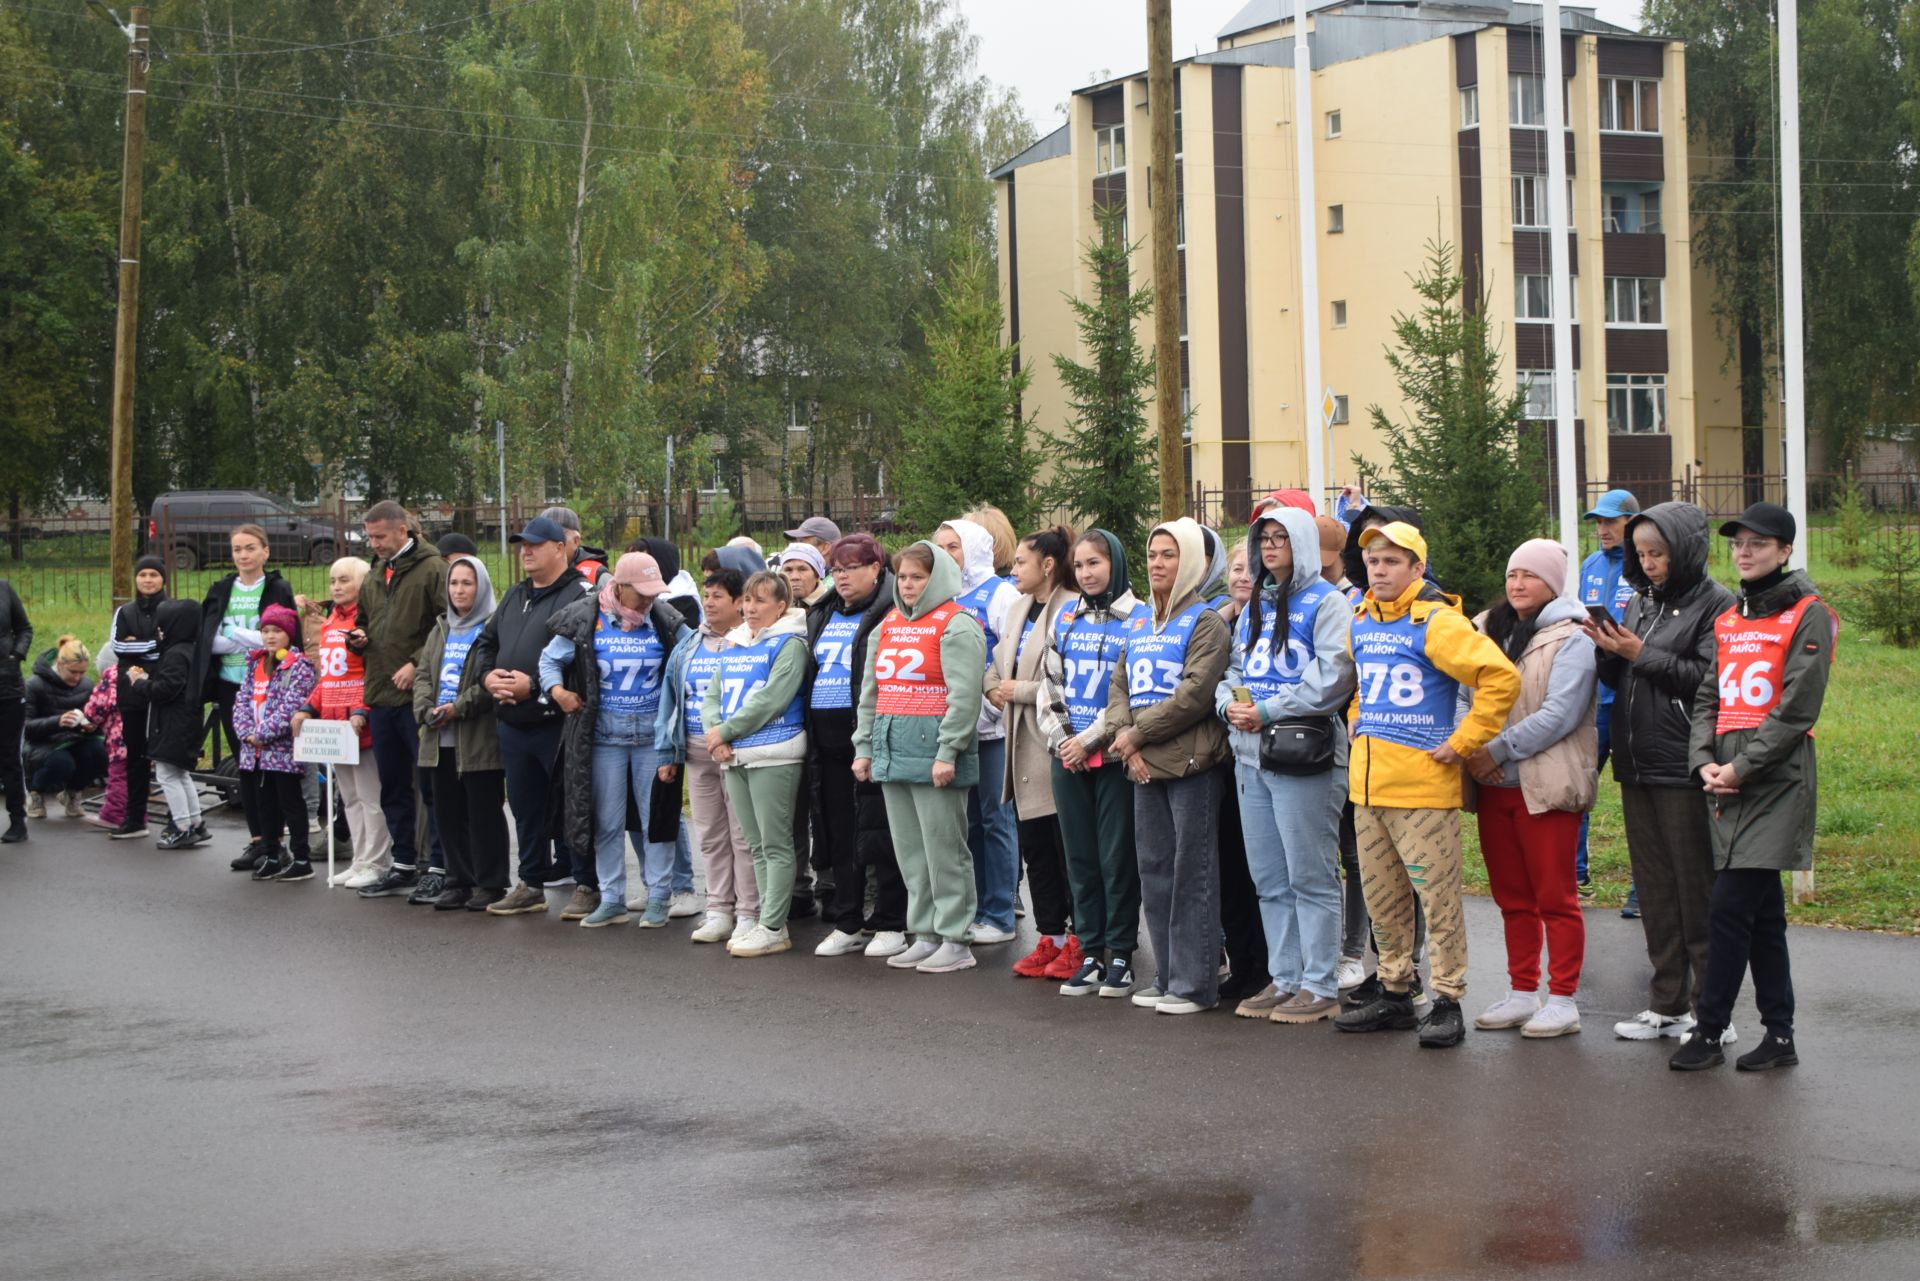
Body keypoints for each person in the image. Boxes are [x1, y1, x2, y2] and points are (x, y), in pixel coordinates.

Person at [1334, 521, 1519, 1048]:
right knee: (1382, 899)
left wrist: (1464, 742)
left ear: (1417, 568)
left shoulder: (1438, 622)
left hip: (1422, 790)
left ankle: (1448, 999)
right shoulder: (1363, 620)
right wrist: (1354, 710)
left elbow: (1499, 678)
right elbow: (1365, 683)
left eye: (1392, 561)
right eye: (1373, 561)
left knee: (1436, 902)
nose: (1380, 570)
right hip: (1368, 790)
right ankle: (1395, 990)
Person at [1670, 503, 1834, 1073]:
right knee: (1763, 916)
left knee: (1729, 907)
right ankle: (1780, 1037)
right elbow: (1708, 698)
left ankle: (1709, 1031)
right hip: (1726, 776)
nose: (1744, 552)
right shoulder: (1730, 617)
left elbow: (1796, 710)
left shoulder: (1810, 613)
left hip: (1776, 779)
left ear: (1785, 551)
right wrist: (1704, 764)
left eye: (1758, 544)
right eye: (1738, 543)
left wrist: (1742, 769)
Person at [1585, 503, 1736, 1047]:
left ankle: (1712, 1011)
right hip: (1637, 763)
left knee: (1695, 889)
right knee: (1653, 889)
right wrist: (1608, 651)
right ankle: (1667, 1003)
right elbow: (1627, 671)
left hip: (1683, 763)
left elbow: (1708, 683)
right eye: (1641, 554)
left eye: (1658, 554)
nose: (1648, 565)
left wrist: (1639, 652)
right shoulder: (1642, 601)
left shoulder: (1718, 605)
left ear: (1685, 550)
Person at [1217, 505, 1356, 1024]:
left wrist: (1269, 710)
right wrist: (1227, 703)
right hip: (1250, 756)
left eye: (1281, 537)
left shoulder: (1326, 602)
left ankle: (1321, 984)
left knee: (1310, 876)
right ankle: (1287, 976)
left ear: (1300, 541)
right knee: (1270, 879)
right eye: (1264, 538)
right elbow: (1234, 665)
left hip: (1304, 755)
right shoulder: (1257, 602)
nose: (1270, 546)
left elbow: (1335, 675)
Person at [1463, 540, 1598, 1039]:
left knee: (1554, 896)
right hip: (1492, 785)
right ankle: (1523, 992)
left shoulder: (1574, 637)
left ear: (1554, 584)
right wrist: (1468, 746)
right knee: (1511, 895)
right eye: (1512, 574)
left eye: (1530, 575)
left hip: (1544, 785)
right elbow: (1463, 690)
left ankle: (1563, 1000)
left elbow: (1559, 715)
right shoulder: (1485, 628)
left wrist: (1493, 750)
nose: (1517, 584)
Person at [1105, 519, 1232, 1014]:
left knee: (1190, 874)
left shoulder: (1206, 621)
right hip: (1141, 765)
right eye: (1153, 554)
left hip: (1190, 766)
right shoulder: (1139, 621)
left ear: (1192, 564)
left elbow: (1195, 694)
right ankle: (1166, 974)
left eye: (1169, 555)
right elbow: (1119, 687)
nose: (1157, 564)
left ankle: (1196, 984)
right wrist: (1126, 738)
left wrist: (1136, 734)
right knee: (1154, 870)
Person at [853, 540, 987, 974]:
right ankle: (925, 933)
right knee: (912, 854)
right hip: (894, 755)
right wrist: (864, 746)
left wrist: (948, 751)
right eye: (904, 576)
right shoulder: (887, 624)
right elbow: (871, 694)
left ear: (939, 578)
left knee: (945, 851)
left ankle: (955, 938)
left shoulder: (957, 624)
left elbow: (964, 697)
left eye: (918, 577)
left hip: (936, 759)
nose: (908, 585)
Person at [543, 551, 692, 930]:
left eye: (653, 592)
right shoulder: (586, 617)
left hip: (651, 740)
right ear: (619, 587)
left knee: (655, 820)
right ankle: (611, 898)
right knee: (606, 821)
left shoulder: (664, 619)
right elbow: (549, 660)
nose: (648, 600)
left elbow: (694, 652)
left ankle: (659, 896)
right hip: (603, 739)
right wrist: (558, 692)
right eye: (641, 593)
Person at [1037, 530, 1143, 996]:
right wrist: (1065, 740)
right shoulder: (1065, 616)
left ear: (1114, 563)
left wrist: (1091, 739)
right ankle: (1092, 952)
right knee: (1079, 859)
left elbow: (1133, 692)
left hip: (1115, 753)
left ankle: (1121, 953)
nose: (1087, 573)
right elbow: (1050, 682)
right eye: (1079, 566)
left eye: (1095, 563)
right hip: (1068, 756)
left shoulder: (1140, 619)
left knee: (1116, 858)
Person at [475, 516, 592, 917]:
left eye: (535, 544)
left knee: (570, 804)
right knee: (524, 807)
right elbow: (486, 644)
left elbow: (585, 661)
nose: (525, 550)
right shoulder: (515, 594)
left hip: (557, 724)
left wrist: (537, 687)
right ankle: (531, 882)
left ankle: (586, 883)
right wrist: (488, 676)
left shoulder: (581, 594)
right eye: (522, 544)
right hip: (512, 721)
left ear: (560, 547)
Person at [803, 533, 910, 958]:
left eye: (849, 568)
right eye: (835, 569)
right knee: (840, 833)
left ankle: (891, 922)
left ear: (875, 568)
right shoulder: (825, 611)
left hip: (871, 736)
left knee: (881, 833)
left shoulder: (890, 613)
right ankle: (848, 921)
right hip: (825, 742)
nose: (840, 576)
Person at [703, 570, 810, 957]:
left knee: (776, 843)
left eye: (760, 601)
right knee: (757, 845)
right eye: (747, 600)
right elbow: (712, 694)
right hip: (735, 754)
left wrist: (725, 731)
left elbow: (773, 699)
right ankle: (767, 918)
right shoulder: (733, 643)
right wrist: (716, 733)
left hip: (773, 754)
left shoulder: (790, 644)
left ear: (781, 606)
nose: (750, 608)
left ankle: (773, 926)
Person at [658, 550, 762, 945]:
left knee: (742, 836)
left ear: (740, 603)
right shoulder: (688, 645)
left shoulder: (749, 644)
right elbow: (670, 699)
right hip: (697, 755)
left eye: (719, 595)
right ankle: (718, 908)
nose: (709, 601)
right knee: (710, 835)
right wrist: (668, 753)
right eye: (707, 594)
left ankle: (748, 912)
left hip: (737, 756)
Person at [351, 501, 449, 902]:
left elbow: (447, 625)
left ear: (403, 531)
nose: (374, 544)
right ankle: (404, 863)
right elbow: (363, 620)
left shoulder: (433, 569)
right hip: (380, 693)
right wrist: (357, 638)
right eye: (370, 537)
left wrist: (415, 664)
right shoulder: (376, 572)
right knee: (392, 786)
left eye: (381, 537)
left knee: (430, 785)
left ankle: (440, 866)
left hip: (418, 696)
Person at [992, 527, 1079, 978]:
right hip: (1019, 750)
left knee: (1067, 851)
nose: (1013, 570)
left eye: (1021, 562)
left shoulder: (1071, 608)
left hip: (1050, 747)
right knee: (1037, 851)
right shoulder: (1018, 609)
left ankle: (1081, 939)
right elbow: (997, 662)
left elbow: (1072, 679)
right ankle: (1051, 936)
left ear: (1048, 565)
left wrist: (1018, 690)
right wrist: (994, 686)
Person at [933, 516, 1021, 944]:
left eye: (954, 546)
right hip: (952, 724)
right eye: (940, 546)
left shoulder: (999, 592)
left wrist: (989, 696)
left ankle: (1001, 912)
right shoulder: (941, 596)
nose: (946, 554)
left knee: (995, 818)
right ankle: (976, 904)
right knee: (965, 823)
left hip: (992, 726)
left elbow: (1012, 649)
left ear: (974, 549)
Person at [415, 555, 510, 911]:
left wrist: (459, 707)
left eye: (467, 583)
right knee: (448, 813)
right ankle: (458, 880)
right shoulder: (440, 628)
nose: (459, 590)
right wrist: (426, 708)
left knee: (483, 812)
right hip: (438, 738)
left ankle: (491, 882)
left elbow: (491, 680)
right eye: (454, 583)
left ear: (481, 586)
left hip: (477, 739)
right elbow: (424, 674)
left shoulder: (491, 627)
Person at [198, 524, 296, 866]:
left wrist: (237, 632)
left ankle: (276, 840)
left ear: (265, 551)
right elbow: (210, 640)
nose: (243, 555)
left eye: (250, 548)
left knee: (270, 765)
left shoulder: (277, 587)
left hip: (268, 687)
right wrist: (251, 636)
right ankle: (256, 839)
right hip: (231, 686)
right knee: (245, 764)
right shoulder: (222, 589)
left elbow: (281, 638)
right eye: (237, 549)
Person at [292, 558, 392, 888]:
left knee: (369, 796)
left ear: (363, 584)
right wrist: (308, 707)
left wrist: (362, 710)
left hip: (357, 721)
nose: (336, 586)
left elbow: (371, 672)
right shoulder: (330, 620)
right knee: (348, 797)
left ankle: (378, 861)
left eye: (344, 580)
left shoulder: (368, 621)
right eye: (333, 580)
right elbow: (328, 676)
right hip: (334, 720)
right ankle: (360, 859)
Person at [1578, 489, 1641, 906]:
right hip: (1596, 695)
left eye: (1610, 522)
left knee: (1640, 794)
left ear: (1631, 524)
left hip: (1637, 697)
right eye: (1598, 522)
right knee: (1580, 785)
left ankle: (1644, 887)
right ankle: (1574, 872)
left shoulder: (1646, 566)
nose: (1602, 529)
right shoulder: (1591, 564)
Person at [635, 536, 702, 920]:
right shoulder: (619, 610)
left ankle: (682, 885)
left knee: (663, 808)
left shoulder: (678, 609)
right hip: (620, 725)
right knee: (633, 811)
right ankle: (651, 883)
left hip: (662, 723)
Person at [1316, 513, 1370, 989]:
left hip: (1351, 738)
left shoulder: (1354, 599)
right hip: (1315, 746)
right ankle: (1331, 946)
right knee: (1324, 854)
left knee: (1355, 855)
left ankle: (1355, 949)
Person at [232, 604, 319, 882]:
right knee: (264, 804)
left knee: (290, 803)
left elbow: (291, 707)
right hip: (254, 750)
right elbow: (242, 701)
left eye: (277, 631)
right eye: (265, 630)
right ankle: (272, 853)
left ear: (289, 635)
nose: (270, 636)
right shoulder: (255, 663)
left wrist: (262, 733)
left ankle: (302, 858)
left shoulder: (299, 667)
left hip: (280, 750)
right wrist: (246, 731)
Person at [124, 601, 210, 850]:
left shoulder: (174, 654)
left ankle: (182, 827)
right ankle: (196, 822)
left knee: (166, 774)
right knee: (180, 773)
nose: (159, 631)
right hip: (187, 719)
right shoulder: (191, 650)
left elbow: (166, 690)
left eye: (162, 626)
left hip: (172, 723)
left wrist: (140, 682)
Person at [104, 556, 168, 838]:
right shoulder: (124, 612)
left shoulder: (172, 609)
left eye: (154, 574)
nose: (148, 580)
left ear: (163, 579)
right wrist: (153, 644)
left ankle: (178, 820)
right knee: (136, 756)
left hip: (164, 689)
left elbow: (169, 648)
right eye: (143, 575)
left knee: (167, 754)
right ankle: (134, 818)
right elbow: (118, 646)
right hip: (131, 692)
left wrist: (139, 646)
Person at [23, 636, 108, 821]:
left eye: (82, 672)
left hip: (75, 739)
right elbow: (26, 729)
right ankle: (35, 792)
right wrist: (57, 721)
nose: (77, 677)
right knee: (62, 763)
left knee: (102, 754)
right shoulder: (34, 685)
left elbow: (95, 721)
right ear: (60, 664)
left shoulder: (86, 685)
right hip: (43, 743)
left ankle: (72, 793)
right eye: (73, 672)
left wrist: (91, 726)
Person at [0, 576, 28, 843]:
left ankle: (18, 820)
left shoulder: (5, 588)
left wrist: (15, 655)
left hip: (8, 688)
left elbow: (24, 629)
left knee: (10, 757)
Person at [543, 505, 608, 584]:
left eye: (558, 534)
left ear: (576, 541)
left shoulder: (596, 574)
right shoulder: (537, 573)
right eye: (544, 535)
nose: (549, 541)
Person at [779, 542, 831, 608]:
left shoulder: (831, 606)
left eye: (802, 569)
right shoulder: (775, 606)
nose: (794, 577)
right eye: (788, 570)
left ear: (817, 575)